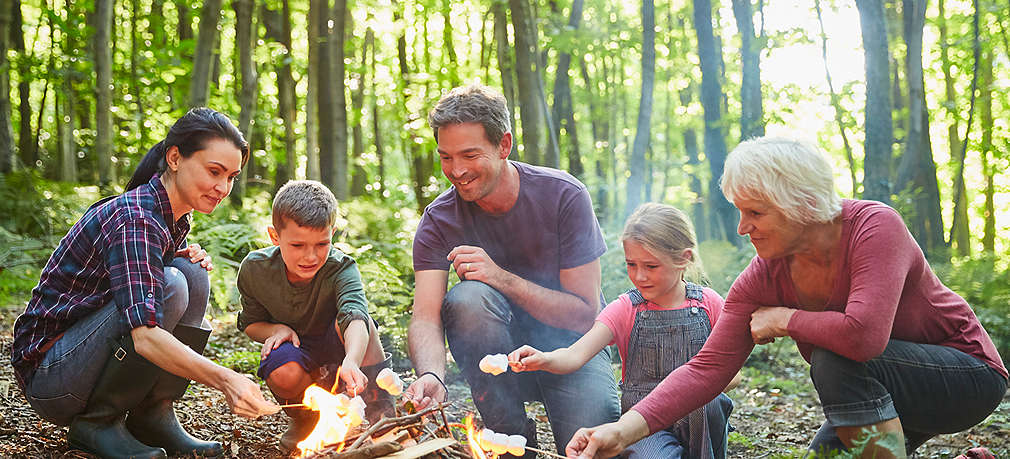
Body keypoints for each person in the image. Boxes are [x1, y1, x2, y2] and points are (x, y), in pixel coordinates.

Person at [566, 137, 1008, 459]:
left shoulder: (875, 227)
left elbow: (863, 339)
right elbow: (706, 369)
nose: (742, 227)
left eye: (755, 212)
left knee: (833, 359)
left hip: (966, 375)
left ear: (800, 203)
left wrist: (783, 319)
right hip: (886, 393)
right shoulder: (764, 275)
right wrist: (621, 432)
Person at [11, 108, 279, 459]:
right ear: (174, 158)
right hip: (52, 376)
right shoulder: (136, 219)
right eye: (214, 171)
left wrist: (176, 256)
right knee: (171, 283)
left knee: (191, 273)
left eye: (231, 177)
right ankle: (96, 424)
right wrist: (227, 379)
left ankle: (151, 414)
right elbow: (145, 336)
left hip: (80, 360)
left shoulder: (172, 217)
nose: (222, 187)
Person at [403, 84, 620, 457]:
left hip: (572, 350)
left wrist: (500, 276)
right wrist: (431, 375)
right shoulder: (439, 219)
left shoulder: (563, 196)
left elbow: (586, 314)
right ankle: (510, 439)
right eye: (446, 157)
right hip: (497, 366)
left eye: (470, 155)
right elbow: (425, 317)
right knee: (467, 299)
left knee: (593, 449)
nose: (456, 170)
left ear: (504, 145)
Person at [508, 203, 740, 459]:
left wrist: (693, 390)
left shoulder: (709, 303)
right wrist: (544, 358)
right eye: (631, 264)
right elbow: (576, 355)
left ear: (684, 259)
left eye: (651, 266)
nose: (639, 276)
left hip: (701, 419)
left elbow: (733, 375)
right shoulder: (626, 308)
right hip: (642, 426)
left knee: (707, 403)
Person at [236, 179, 393, 452]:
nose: (311, 256)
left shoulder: (341, 268)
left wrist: (352, 361)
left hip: (338, 347)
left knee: (363, 324)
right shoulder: (255, 270)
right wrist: (275, 330)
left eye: (322, 244)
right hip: (299, 354)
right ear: (275, 237)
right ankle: (309, 421)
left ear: (332, 233)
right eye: (297, 245)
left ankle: (380, 413)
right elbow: (250, 324)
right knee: (282, 371)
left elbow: (354, 315)